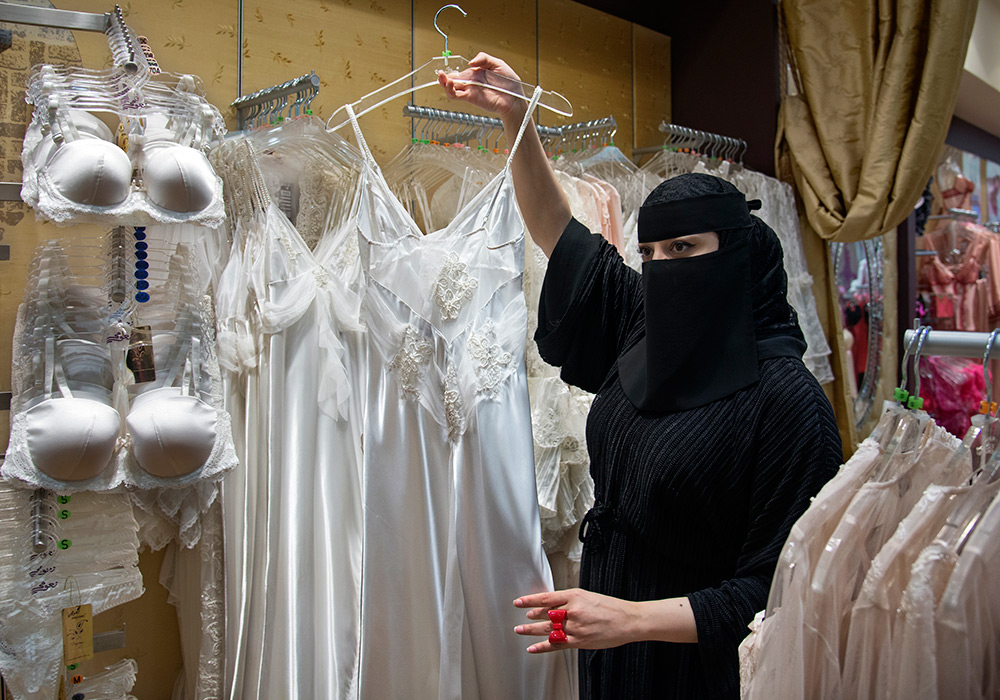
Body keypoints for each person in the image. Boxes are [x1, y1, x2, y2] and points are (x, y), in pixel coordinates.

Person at [439, 54, 843, 700]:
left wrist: (631, 619)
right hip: (612, 645)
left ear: (735, 256)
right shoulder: (648, 329)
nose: (661, 270)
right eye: (650, 254)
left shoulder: (789, 404)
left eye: (684, 251)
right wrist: (519, 114)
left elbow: (783, 589)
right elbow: (559, 236)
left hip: (699, 668)